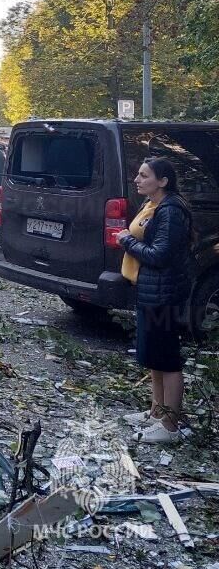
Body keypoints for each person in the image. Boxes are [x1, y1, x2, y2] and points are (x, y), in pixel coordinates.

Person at [117, 157, 192, 444]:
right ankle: (156, 412)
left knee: (167, 359)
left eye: (144, 175)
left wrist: (127, 241)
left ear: (163, 181)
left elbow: (160, 255)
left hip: (165, 294)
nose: (137, 179)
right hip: (150, 290)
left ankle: (170, 426)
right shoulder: (152, 205)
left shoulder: (171, 210)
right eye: (138, 174)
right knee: (153, 357)